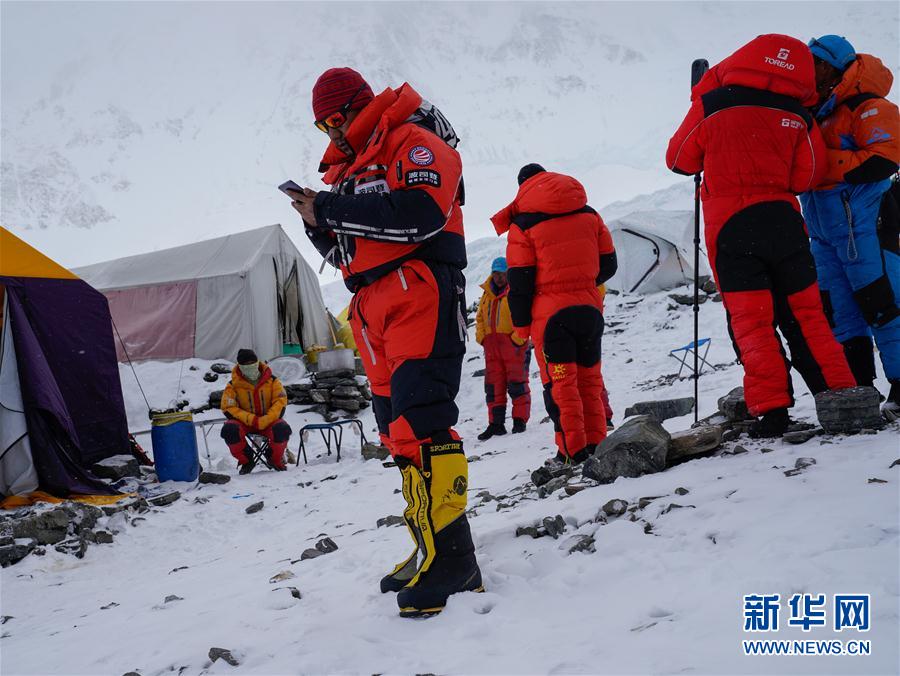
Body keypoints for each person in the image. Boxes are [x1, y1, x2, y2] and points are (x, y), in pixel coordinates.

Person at [287, 67, 481, 616]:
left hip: (420, 287)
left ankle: (456, 561)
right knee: (396, 430)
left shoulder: (412, 141)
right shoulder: (350, 171)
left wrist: (329, 208)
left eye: (335, 118)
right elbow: (347, 252)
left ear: (360, 103)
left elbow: (420, 216)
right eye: (322, 125)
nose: (331, 131)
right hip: (372, 304)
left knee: (424, 419)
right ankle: (429, 548)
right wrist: (317, 222)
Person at [666, 33, 857, 438]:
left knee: (752, 322)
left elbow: (679, 159)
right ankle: (840, 396)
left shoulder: (712, 103)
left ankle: (772, 414)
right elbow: (807, 176)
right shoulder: (798, 114)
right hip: (783, 223)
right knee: (808, 316)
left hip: (731, 228)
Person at [799, 35, 900, 420]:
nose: (808, 69)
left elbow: (884, 158)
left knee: (884, 304)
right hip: (825, 233)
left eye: (814, 62)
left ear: (832, 65)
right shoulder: (817, 113)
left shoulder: (869, 106)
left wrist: (821, 165)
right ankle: (860, 390)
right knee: (839, 311)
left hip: (867, 226)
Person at [491, 163, 617, 464]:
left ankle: (572, 452)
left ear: (523, 188)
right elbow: (609, 265)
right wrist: (581, 283)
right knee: (590, 382)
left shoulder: (523, 225)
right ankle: (597, 447)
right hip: (589, 310)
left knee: (561, 387)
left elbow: (520, 282)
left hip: (552, 319)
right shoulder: (589, 214)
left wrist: (522, 326)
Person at [475, 256, 531, 440]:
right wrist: (482, 337)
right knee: (493, 387)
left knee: (517, 384)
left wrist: (517, 339)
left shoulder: (516, 290)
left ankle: (519, 421)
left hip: (513, 347)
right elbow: (480, 318)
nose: (499, 277)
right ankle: (496, 424)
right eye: (496, 274)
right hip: (492, 347)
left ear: (508, 273)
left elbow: (525, 314)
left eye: (502, 274)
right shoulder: (486, 294)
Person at [220, 349, 291, 473]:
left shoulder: (273, 381)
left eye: (252, 362)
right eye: (245, 364)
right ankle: (246, 460)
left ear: (257, 362)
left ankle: (274, 458)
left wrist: (266, 419)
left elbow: (280, 402)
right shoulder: (232, 385)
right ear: (239, 366)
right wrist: (252, 419)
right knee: (229, 430)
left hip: (269, 422)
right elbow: (228, 407)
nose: (250, 366)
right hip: (245, 423)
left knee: (282, 429)